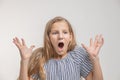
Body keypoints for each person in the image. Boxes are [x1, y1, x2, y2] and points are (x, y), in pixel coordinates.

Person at [13, 16, 104, 80]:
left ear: (70, 37)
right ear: (48, 37)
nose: (60, 36)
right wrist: (24, 61)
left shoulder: (78, 54)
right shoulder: (39, 56)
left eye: (65, 32)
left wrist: (95, 59)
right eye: (55, 33)